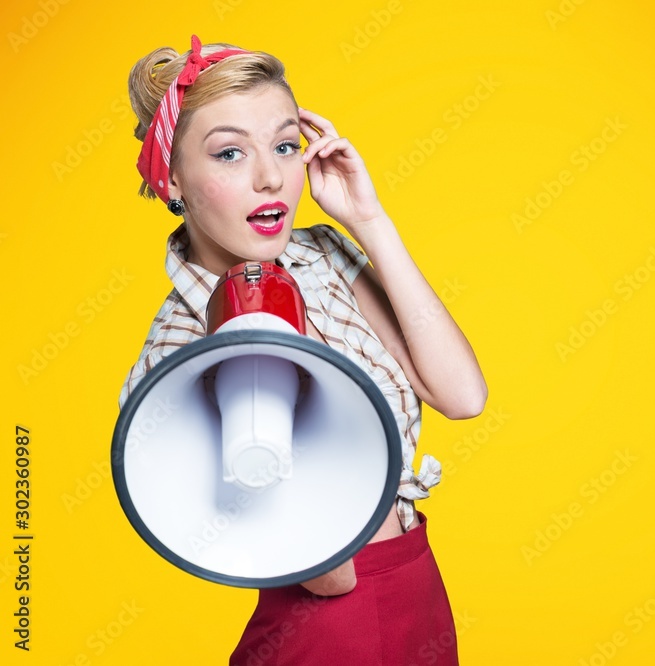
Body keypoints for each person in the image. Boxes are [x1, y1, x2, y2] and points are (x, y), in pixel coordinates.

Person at [121, 35, 487, 664]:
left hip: (415, 587)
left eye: (286, 145)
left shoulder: (321, 255)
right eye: (230, 153)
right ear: (172, 180)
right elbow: (330, 574)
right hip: (326, 632)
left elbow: (463, 394)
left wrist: (368, 220)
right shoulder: (176, 360)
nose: (270, 177)